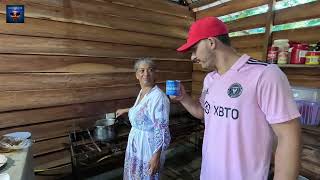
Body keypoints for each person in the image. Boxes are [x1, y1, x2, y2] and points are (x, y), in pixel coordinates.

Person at [172, 16, 301, 180]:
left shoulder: (265, 74)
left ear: (211, 43)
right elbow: (205, 113)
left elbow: (288, 136)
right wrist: (183, 97)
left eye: (194, 49)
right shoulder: (210, 79)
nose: (192, 57)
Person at [116, 58, 171, 180]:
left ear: (155, 74)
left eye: (150, 70)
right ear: (137, 75)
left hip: (148, 148)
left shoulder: (158, 98)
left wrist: (156, 156)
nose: (146, 74)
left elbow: (161, 129)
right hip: (137, 145)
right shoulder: (143, 92)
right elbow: (142, 110)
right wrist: (126, 110)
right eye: (142, 70)